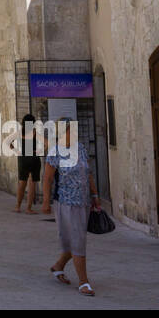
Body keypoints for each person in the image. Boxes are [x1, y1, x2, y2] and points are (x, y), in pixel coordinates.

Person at [41, 119, 102, 296]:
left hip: (83, 202)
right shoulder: (55, 152)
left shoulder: (80, 148)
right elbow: (47, 178)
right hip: (66, 203)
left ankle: (58, 266)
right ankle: (84, 282)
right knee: (77, 240)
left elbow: (87, 173)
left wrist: (95, 195)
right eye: (71, 131)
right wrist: (45, 201)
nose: (74, 134)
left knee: (75, 239)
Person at [14, 113, 40, 213]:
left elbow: (8, 142)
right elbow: (46, 144)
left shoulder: (20, 132)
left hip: (23, 158)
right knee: (32, 184)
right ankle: (29, 208)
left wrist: (16, 150)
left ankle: (17, 206)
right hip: (33, 158)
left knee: (22, 183)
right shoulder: (34, 132)